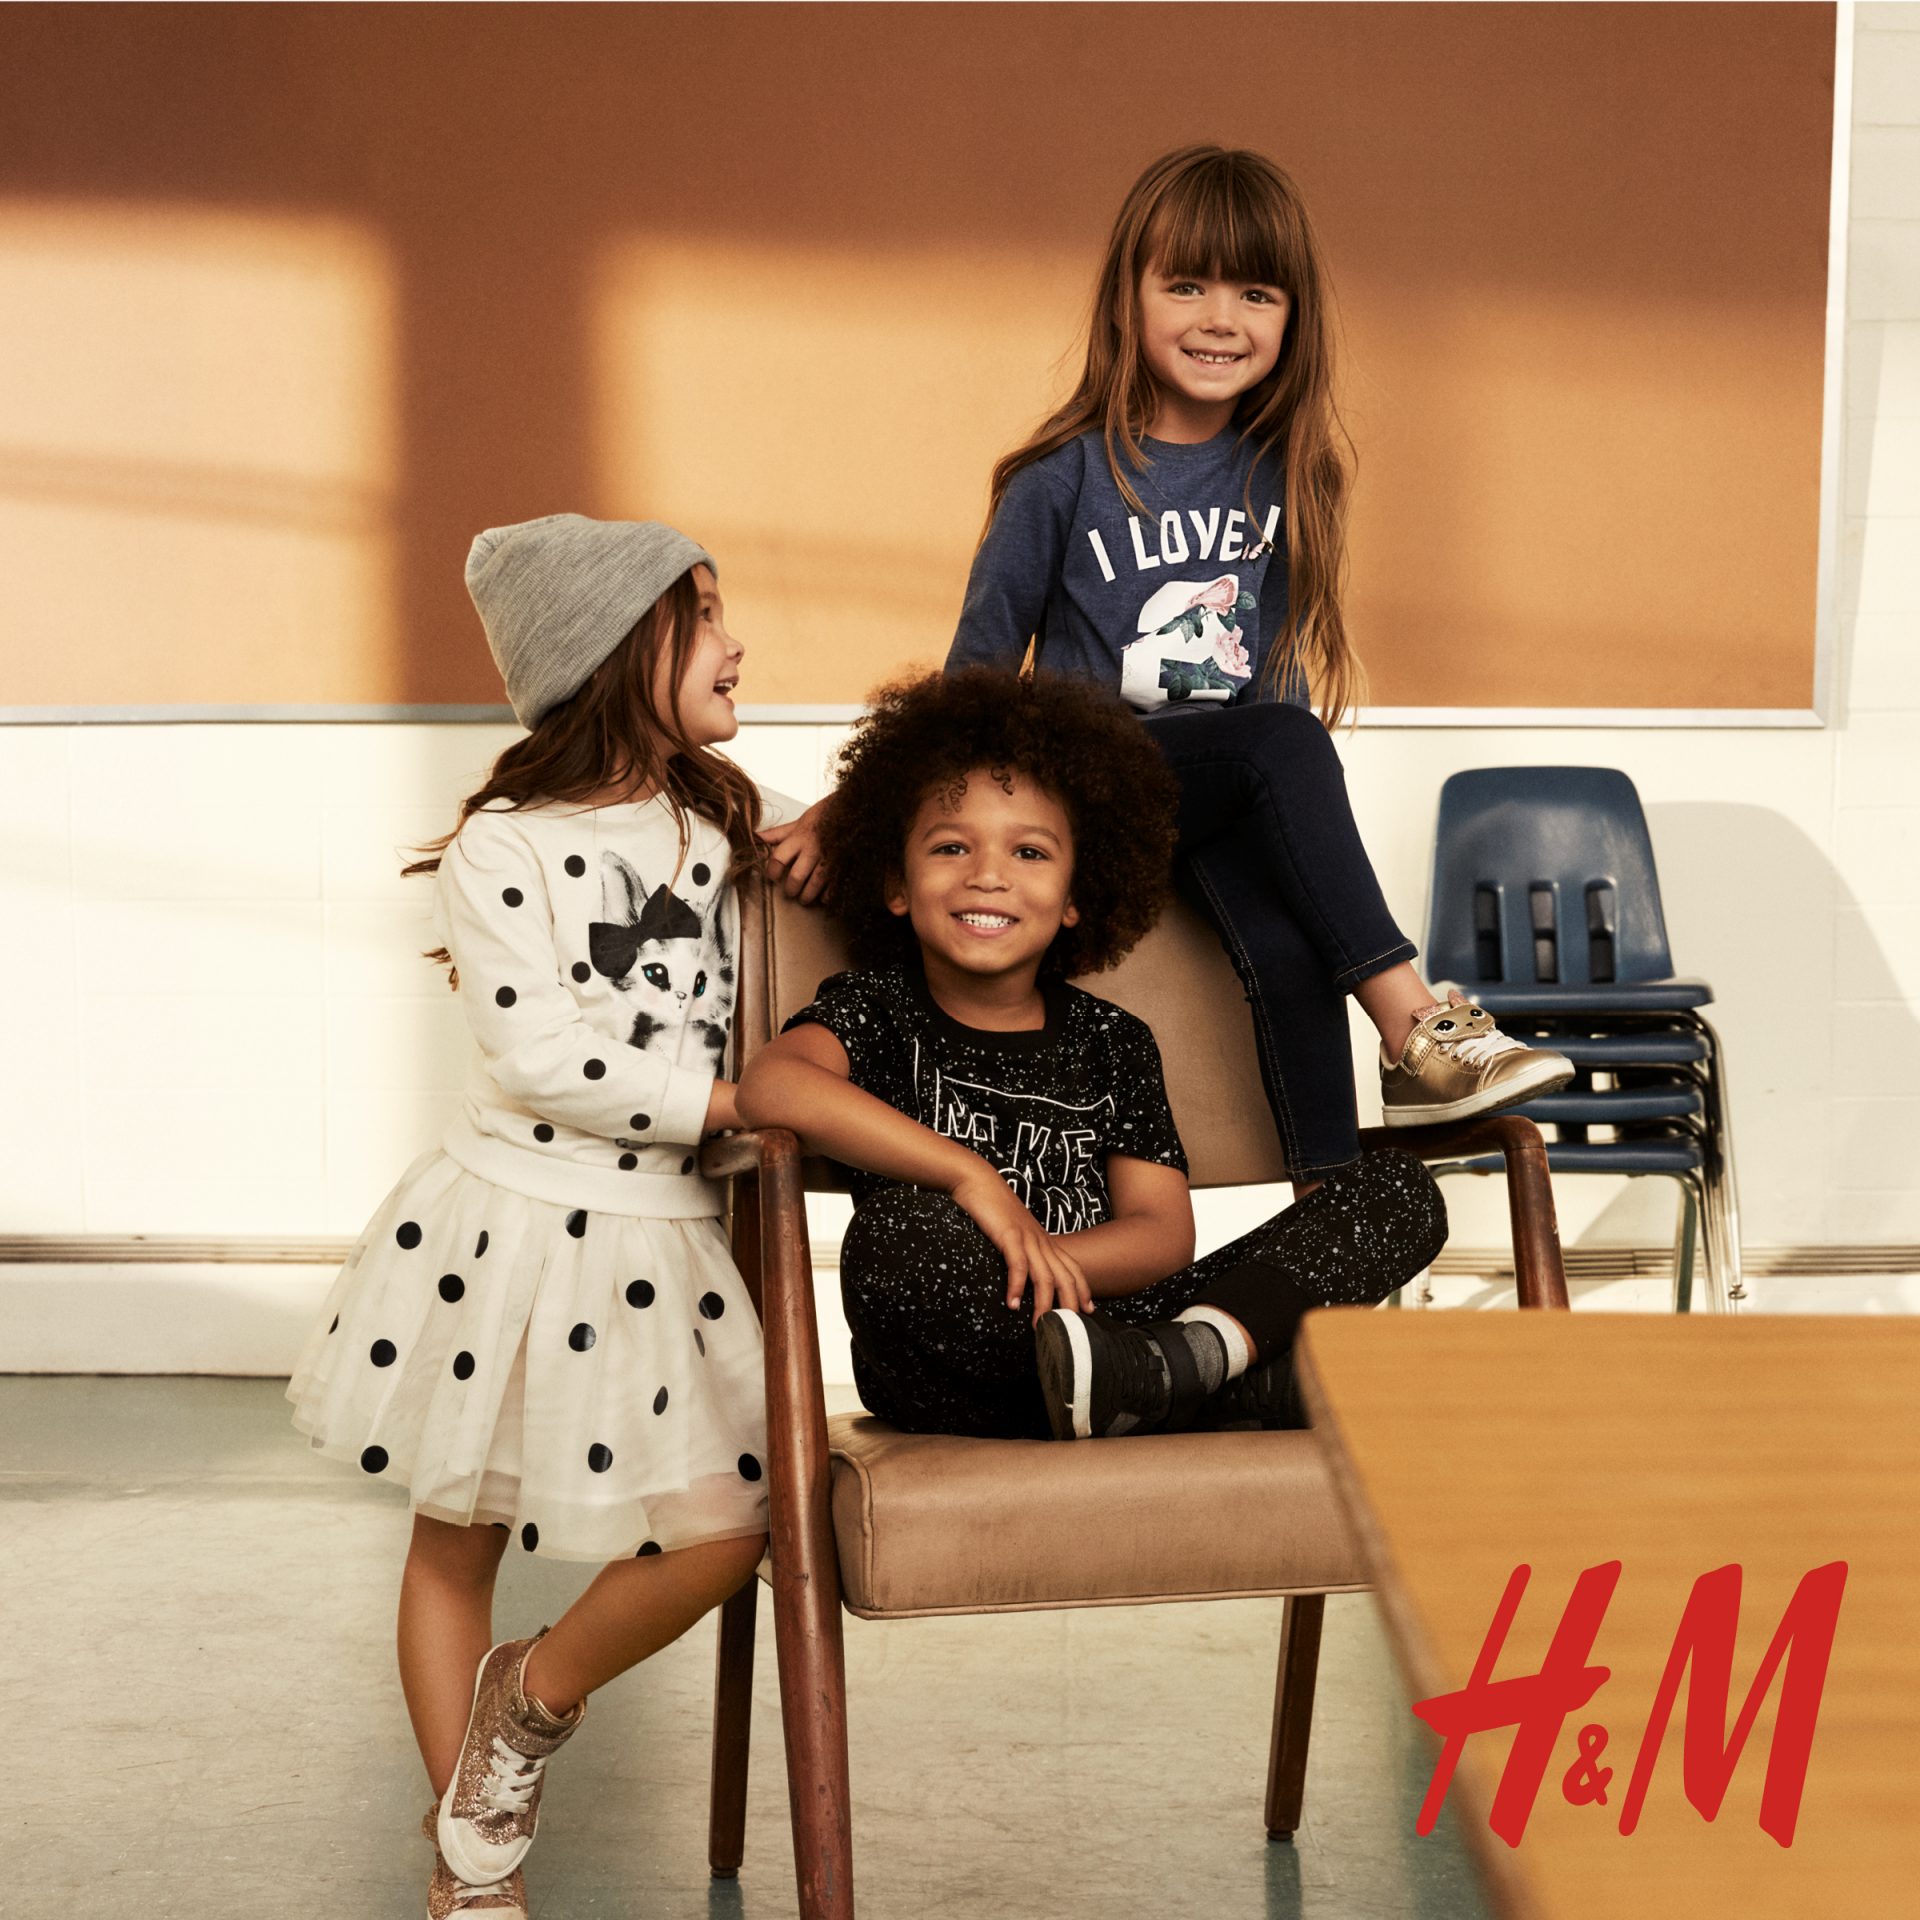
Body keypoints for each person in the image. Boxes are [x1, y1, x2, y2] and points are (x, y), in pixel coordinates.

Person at [760, 145, 1572, 1185]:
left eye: (1256, 292)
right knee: (1283, 742)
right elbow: (971, 683)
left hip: (1215, 794)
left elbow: (1273, 685)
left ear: (1294, 317)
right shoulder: (1060, 480)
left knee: (1291, 938)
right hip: (1089, 795)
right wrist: (854, 805)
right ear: (1128, 299)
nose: (1220, 318)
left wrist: (1291, 848)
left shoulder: (1292, 477)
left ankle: (1331, 1209)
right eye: (1185, 285)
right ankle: (1418, 1026)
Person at [288, 515, 777, 1920]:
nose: (737, 643)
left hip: (666, 1243)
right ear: (614, 649)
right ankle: (473, 1873)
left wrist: (821, 841)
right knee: (459, 1538)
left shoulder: (726, 821)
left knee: (727, 1526)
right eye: (703, 616)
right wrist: (727, 1102)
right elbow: (540, 1055)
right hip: (506, 1238)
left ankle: (531, 1693)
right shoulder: (502, 846)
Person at [738, 669, 1447, 1444]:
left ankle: (1172, 1367)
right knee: (895, 1235)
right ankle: (1204, 1382)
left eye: (1030, 852)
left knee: (1399, 1189)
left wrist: (1042, 1257)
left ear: (1078, 895)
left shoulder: (1111, 1039)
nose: (988, 874)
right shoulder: (876, 1008)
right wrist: (971, 1179)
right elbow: (772, 1086)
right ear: (896, 883)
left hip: (1111, 1322)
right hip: (962, 1350)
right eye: (950, 846)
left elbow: (1160, 1232)